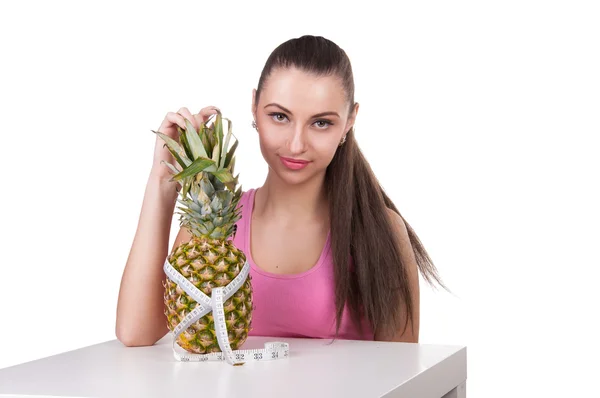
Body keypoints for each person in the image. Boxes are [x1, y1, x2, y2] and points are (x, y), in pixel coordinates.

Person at [115, 35, 447, 347]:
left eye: (321, 123)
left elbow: (406, 379)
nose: (296, 144)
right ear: (254, 107)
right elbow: (136, 332)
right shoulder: (210, 234)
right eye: (279, 116)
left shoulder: (380, 232)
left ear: (349, 121)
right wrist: (162, 183)